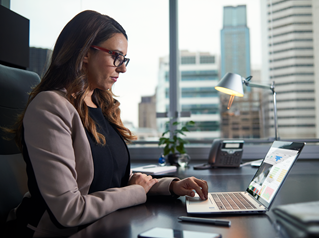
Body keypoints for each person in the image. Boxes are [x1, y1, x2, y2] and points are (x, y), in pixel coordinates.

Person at [5, 10, 208, 238]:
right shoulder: (50, 107)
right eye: (116, 57)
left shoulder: (102, 104)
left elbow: (115, 179)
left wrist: (171, 186)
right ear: (84, 53)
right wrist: (137, 191)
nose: (122, 68)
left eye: (124, 59)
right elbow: (68, 211)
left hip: (107, 223)